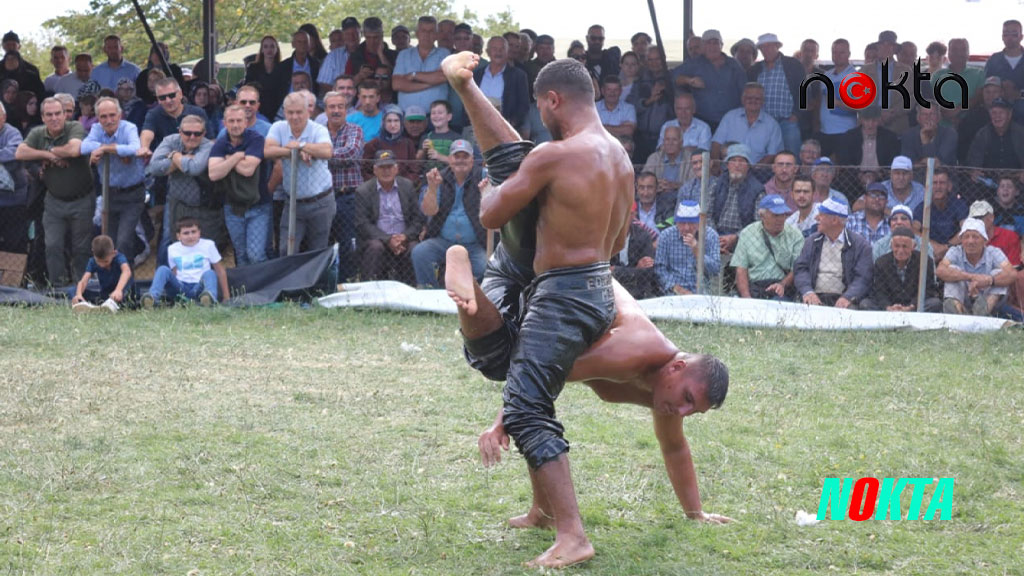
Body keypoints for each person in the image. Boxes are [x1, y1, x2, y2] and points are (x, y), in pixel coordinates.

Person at [440, 52, 634, 568]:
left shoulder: (555, 154)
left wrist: (488, 191)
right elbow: (618, 238)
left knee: (522, 402)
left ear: (553, 101)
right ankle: (545, 513)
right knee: (518, 379)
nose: (541, 119)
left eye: (541, 108)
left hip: (560, 291)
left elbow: (492, 212)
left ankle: (574, 535)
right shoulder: (620, 156)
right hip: (597, 287)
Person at [16, 97, 94, 285]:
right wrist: (48, 155)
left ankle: (81, 288)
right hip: (54, 201)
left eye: (58, 113)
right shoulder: (37, 133)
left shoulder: (74, 127)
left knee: (81, 248)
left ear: (64, 114)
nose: (54, 118)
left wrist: (51, 151)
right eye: (49, 115)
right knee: (52, 246)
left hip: (81, 199)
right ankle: (57, 288)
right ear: (42, 117)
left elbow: (74, 149)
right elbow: (20, 153)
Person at [264, 91, 335, 255]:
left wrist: (300, 145)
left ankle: (315, 282)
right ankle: (290, 281)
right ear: (284, 111)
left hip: (321, 201)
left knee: (317, 251)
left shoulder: (318, 129)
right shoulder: (278, 127)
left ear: (308, 111)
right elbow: (267, 150)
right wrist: (291, 152)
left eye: (299, 112)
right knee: (286, 250)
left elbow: (327, 151)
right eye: (290, 112)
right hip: (293, 203)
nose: (294, 117)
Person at [80, 96, 146, 262]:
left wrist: (106, 148)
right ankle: (114, 283)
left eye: (112, 115)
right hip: (109, 195)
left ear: (119, 114)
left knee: (124, 242)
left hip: (132, 194)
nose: (109, 120)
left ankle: (128, 286)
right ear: (98, 118)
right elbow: (84, 146)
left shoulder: (129, 127)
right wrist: (114, 151)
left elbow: (134, 147)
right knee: (110, 243)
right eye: (103, 116)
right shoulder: (96, 129)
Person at [413, 139, 485, 287]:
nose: (460, 160)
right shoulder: (439, 177)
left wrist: (487, 192)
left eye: (465, 156)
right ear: (450, 159)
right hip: (444, 242)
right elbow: (428, 211)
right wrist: (432, 187)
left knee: (485, 266)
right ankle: (431, 294)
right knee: (420, 252)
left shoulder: (484, 176)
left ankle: (471, 297)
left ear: (472, 159)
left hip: (475, 244)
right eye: (456, 156)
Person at [208, 104, 269, 266]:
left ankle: (264, 288)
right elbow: (213, 174)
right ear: (224, 123)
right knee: (241, 254)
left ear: (245, 122)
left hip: (258, 206)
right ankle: (245, 289)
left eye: (239, 121)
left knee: (256, 254)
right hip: (232, 206)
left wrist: (227, 159)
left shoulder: (256, 139)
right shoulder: (221, 143)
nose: (235, 125)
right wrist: (236, 157)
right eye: (231, 121)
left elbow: (248, 170)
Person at [354, 149, 423, 283]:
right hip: (377, 239)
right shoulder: (363, 191)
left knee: (415, 248)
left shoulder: (407, 186)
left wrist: (405, 236)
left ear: (396, 169)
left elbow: (417, 219)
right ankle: (369, 291)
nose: (386, 171)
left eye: (389, 167)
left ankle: (411, 290)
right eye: (382, 167)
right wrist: (387, 239)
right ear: (375, 170)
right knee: (375, 247)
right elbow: (362, 224)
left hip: (403, 239)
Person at [793, 197, 873, 308]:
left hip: (843, 298)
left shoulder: (861, 246)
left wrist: (848, 297)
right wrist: (808, 291)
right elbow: (800, 269)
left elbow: (863, 278)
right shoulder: (811, 242)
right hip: (814, 296)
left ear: (834, 220)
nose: (816, 218)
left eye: (821, 215)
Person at [321, 90, 363, 280]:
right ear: (325, 110)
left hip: (349, 196)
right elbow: (342, 155)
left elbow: (351, 153)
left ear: (347, 109)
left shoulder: (355, 130)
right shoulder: (318, 131)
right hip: (323, 197)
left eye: (340, 106)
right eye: (332, 107)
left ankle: (346, 284)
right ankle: (323, 284)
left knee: (348, 244)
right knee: (323, 243)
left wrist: (320, 154)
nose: (336, 111)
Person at [143, 217, 228, 307]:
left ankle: (209, 299)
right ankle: (152, 298)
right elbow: (175, 272)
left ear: (199, 233)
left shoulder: (208, 245)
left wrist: (226, 297)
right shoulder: (172, 248)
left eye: (193, 232)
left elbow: (220, 271)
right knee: (162, 269)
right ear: (178, 236)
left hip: (199, 287)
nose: (190, 236)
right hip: (181, 287)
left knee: (210, 273)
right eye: (186, 233)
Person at [937, 218, 1016, 316]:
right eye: (966, 237)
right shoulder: (955, 251)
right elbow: (940, 270)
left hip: (987, 297)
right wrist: (971, 277)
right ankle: (957, 313)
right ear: (961, 240)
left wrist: (989, 280)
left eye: (975, 237)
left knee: (998, 273)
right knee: (953, 269)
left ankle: (983, 313)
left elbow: (1012, 273)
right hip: (964, 296)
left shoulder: (994, 252)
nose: (970, 241)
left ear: (985, 240)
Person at [732, 194, 805, 300]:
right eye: (776, 215)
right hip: (755, 286)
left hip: (781, 288)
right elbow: (741, 269)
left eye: (783, 215)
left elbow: (797, 269)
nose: (781, 219)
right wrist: (746, 298)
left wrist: (782, 285)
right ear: (762, 216)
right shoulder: (747, 233)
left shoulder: (795, 235)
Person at [671, 30, 746, 130]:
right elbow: (674, 76)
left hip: (731, 122)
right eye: (708, 43)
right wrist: (689, 80)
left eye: (715, 43)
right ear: (703, 46)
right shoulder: (694, 64)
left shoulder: (733, 64)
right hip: (703, 122)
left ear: (721, 45)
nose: (712, 46)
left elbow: (745, 91)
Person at [748, 33, 805, 154]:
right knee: (764, 155)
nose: (766, 49)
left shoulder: (793, 64)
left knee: (792, 156)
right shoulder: (755, 69)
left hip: (787, 121)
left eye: (769, 46)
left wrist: (796, 115)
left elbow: (804, 91)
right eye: (763, 47)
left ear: (777, 46)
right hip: (763, 122)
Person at [860, 228, 941, 312]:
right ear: (891, 246)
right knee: (866, 304)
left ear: (914, 246)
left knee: (934, 303)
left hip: (915, 306)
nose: (900, 251)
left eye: (905, 246)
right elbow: (879, 291)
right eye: (897, 246)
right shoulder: (881, 263)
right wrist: (888, 307)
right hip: (890, 305)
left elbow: (928, 290)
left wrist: (911, 306)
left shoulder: (925, 261)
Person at [655, 200, 720, 295]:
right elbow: (660, 269)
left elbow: (715, 269)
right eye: (682, 223)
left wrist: (698, 253)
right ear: (676, 222)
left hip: (702, 292)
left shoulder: (710, 235)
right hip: (673, 292)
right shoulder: (666, 236)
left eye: (691, 223)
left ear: (699, 223)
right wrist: (677, 288)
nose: (686, 228)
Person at [710, 82, 783, 164]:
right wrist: (716, 165)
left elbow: (772, 154)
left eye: (757, 98)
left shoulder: (772, 125)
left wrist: (753, 170)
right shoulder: (730, 117)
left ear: (763, 101)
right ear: (743, 99)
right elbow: (716, 144)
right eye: (749, 98)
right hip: (728, 171)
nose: (753, 101)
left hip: (757, 173)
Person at [393, 16, 451, 115]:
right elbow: (397, 84)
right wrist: (431, 82)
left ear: (436, 35)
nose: (427, 35)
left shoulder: (445, 54)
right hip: (406, 116)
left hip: (436, 117)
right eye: (423, 31)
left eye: (431, 31)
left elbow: (442, 77)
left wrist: (414, 75)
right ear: (417, 34)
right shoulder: (404, 54)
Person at [473, 36, 530, 134]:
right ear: (488, 52)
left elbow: (524, 104)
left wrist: (512, 123)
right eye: (494, 49)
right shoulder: (477, 75)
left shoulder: (518, 76)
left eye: (502, 49)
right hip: (477, 128)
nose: (498, 52)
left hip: (505, 130)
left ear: (507, 52)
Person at [912, 167, 967, 262]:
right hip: (930, 252)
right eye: (934, 183)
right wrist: (934, 246)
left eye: (942, 183)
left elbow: (966, 229)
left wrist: (946, 247)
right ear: (927, 187)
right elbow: (913, 230)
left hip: (955, 252)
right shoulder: (922, 207)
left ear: (949, 186)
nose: (938, 187)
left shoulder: (959, 205)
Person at [70, 234, 134, 312]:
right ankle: (82, 304)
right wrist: (79, 294)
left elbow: (126, 271)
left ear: (113, 253)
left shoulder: (119, 257)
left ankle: (111, 305)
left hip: (124, 293)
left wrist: (118, 290)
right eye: (99, 262)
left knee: (125, 298)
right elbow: (83, 281)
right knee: (73, 290)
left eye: (105, 261)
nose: (102, 265)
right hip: (106, 294)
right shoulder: (92, 261)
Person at [362, 105, 418, 184]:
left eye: (396, 121)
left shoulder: (408, 144)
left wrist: (403, 184)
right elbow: (365, 170)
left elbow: (414, 170)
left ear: (401, 122)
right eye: (389, 121)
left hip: (402, 188)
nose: (393, 125)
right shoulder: (374, 144)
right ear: (383, 123)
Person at [0, 101, 28, 255]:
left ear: (4, 117)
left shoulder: (12, 133)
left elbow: (15, 152)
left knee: (14, 244)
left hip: (13, 201)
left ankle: (14, 279)